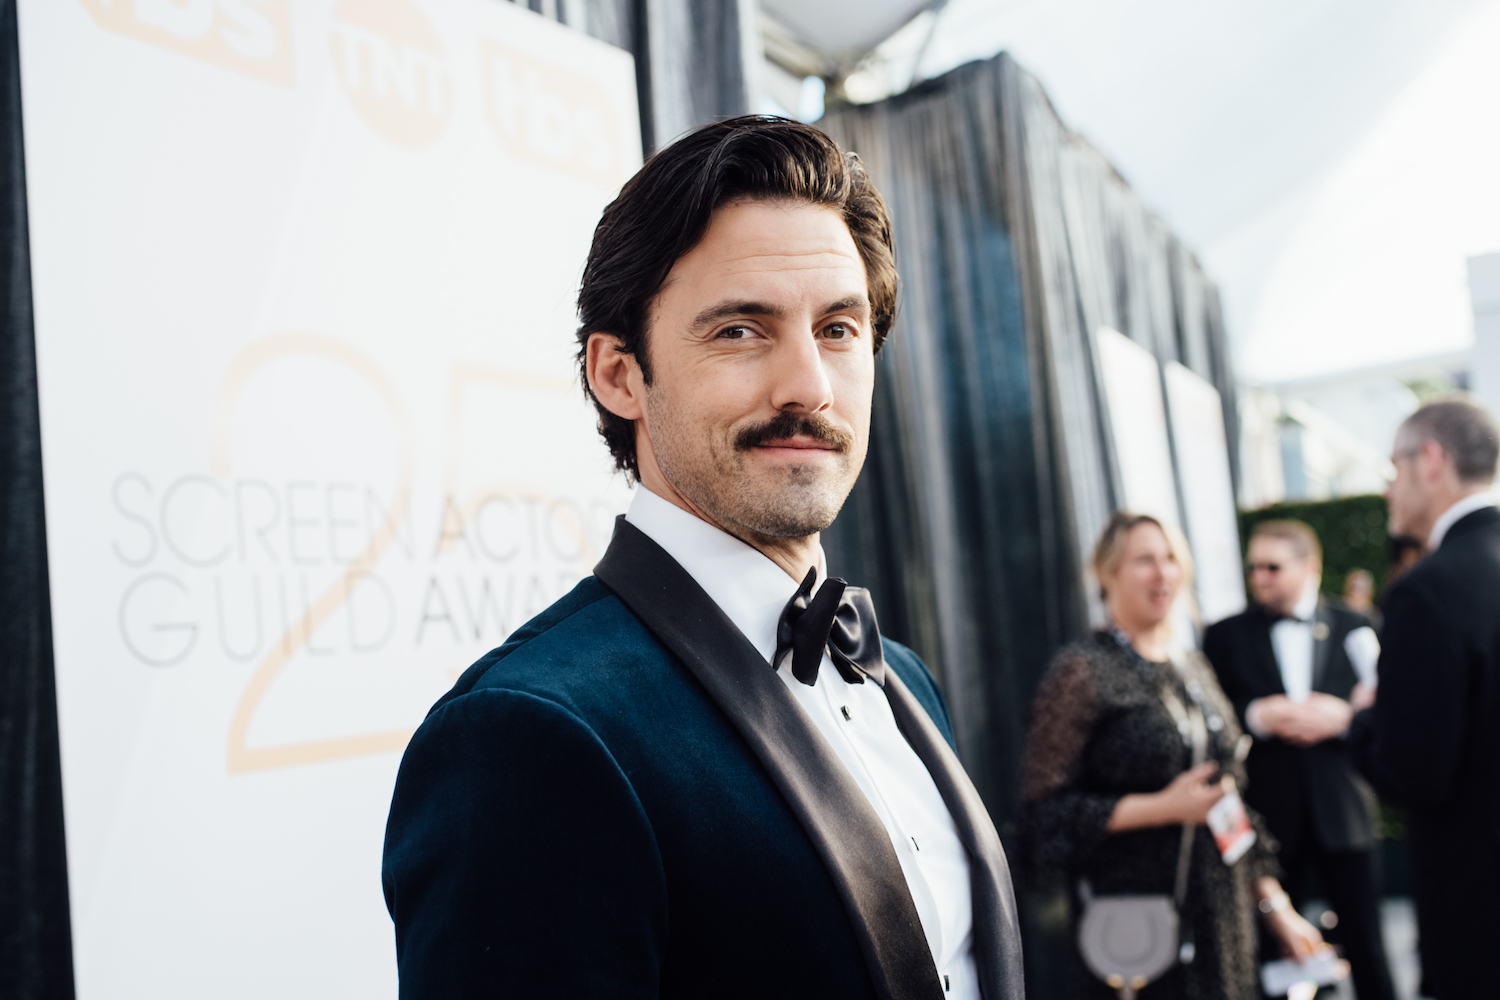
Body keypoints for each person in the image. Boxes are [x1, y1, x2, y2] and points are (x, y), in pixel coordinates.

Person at [380, 117, 1025, 1000]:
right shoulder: (526, 736)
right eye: (739, 331)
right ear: (618, 375)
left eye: (838, 329)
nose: (809, 385)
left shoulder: (900, 675)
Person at [1022, 512, 1322, 1000]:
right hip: (1137, 927)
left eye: (1171, 560)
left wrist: (1275, 906)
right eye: (1145, 561)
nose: (1163, 574)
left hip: (1222, 923)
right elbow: (1043, 822)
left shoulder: (1193, 665)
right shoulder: (1081, 671)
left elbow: (1226, 800)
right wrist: (1163, 808)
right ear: (1107, 572)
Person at [1202, 521, 1394, 1000]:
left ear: (1310, 568)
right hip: (1269, 817)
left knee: (1367, 948)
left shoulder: (1357, 624)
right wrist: (1257, 714)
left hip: (1342, 810)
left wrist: (1345, 718)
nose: (1259, 577)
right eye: (1252, 567)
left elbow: (1392, 711)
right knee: (1268, 948)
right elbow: (1210, 715)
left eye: (1272, 566)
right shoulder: (1224, 635)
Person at [1349, 397, 1500, 1000]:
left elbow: (1414, 774)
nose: (1388, 490)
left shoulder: (1428, 590)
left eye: (1393, 469)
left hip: (1478, 922)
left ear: (1430, 460)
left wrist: (1361, 720)